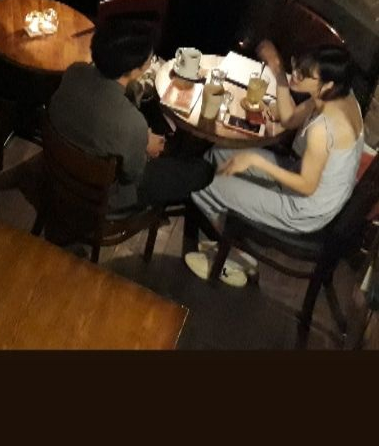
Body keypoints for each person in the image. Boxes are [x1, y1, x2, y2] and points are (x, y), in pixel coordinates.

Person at [185, 41, 365, 287]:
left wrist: (256, 161)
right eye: (297, 66)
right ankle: (228, 233)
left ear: (327, 84)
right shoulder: (338, 95)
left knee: (204, 184)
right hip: (304, 178)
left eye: (304, 74)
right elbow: (289, 119)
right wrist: (278, 70)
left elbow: (307, 186)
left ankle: (235, 257)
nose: (296, 74)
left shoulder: (324, 129)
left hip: (305, 207)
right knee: (219, 154)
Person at [48, 17, 214, 246]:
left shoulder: (74, 71)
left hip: (61, 168)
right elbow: (133, 175)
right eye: (150, 59)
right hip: (106, 197)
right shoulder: (132, 124)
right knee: (203, 171)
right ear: (136, 68)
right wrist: (145, 145)